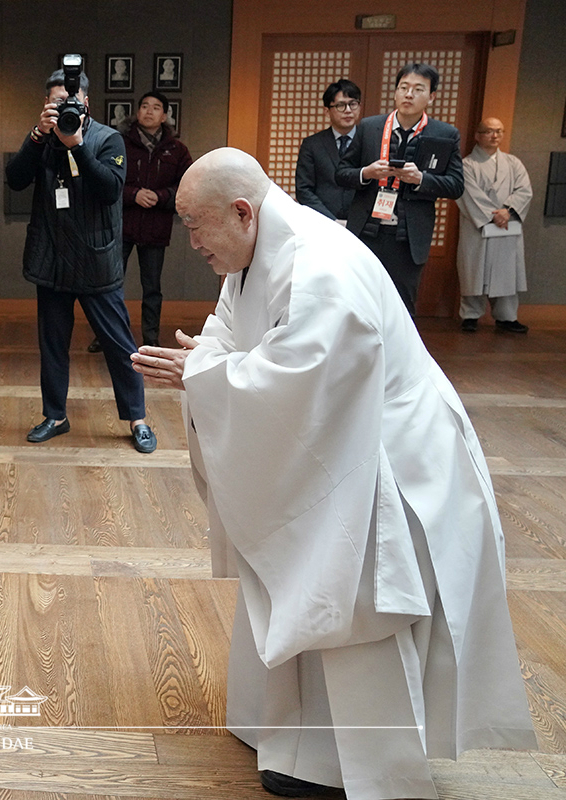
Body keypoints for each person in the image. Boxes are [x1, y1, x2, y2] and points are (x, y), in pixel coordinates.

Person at [132, 148, 536, 800]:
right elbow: (232, 336)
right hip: (338, 442)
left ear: (242, 211)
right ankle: (291, 739)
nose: (192, 242)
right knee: (302, 578)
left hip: (385, 456)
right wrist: (207, 359)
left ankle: (362, 770)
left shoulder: (321, 266)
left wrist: (203, 374)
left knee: (355, 604)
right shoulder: (254, 254)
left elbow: (304, 379)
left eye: (195, 225)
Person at [5, 67, 156, 453]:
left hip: (95, 258)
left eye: (68, 101)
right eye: (54, 101)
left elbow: (108, 190)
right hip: (52, 257)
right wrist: (39, 136)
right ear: (46, 104)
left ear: (85, 102)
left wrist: (76, 145)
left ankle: (138, 418)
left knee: (119, 344)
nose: (62, 107)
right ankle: (55, 415)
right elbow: (15, 178)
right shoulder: (41, 139)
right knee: (52, 343)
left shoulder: (109, 139)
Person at [336, 63, 464, 315]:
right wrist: (367, 173)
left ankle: (398, 355)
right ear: (395, 92)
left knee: (401, 307)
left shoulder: (445, 134)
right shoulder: (370, 127)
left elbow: (456, 185)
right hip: (366, 231)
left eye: (418, 89)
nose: (409, 94)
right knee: (357, 302)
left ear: (432, 96)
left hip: (408, 237)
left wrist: (421, 179)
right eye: (403, 88)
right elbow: (341, 173)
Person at [89, 91, 191, 354]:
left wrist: (161, 196)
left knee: (152, 288)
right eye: (144, 106)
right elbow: (102, 179)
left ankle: (151, 339)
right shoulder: (118, 142)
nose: (149, 111)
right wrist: (134, 194)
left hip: (156, 227)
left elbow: (187, 185)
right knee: (110, 284)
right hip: (121, 224)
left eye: (156, 107)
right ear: (137, 112)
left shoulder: (177, 150)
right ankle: (106, 335)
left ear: (165, 115)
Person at [456, 117, 533, 333]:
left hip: (507, 224)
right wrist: (493, 215)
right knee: (474, 269)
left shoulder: (513, 163)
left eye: (499, 131)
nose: (495, 136)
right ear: (478, 136)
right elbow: (468, 193)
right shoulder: (467, 165)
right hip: (478, 225)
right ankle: (471, 315)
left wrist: (507, 211)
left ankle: (507, 317)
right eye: (489, 131)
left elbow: (524, 191)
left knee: (507, 270)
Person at [295, 79, 360, 223]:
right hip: (321, 222)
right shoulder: (312, 144)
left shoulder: (370, 141)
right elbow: (304, 190)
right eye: (341, 105)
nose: (348, 110)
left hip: (361, 225)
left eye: (353, 104)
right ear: (327, 111)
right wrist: (331, 220)